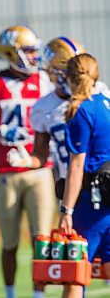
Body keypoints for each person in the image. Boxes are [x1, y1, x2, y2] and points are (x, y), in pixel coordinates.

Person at [0, 25, 55, 298]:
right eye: (28, 50)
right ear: (11, 51)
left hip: (39, 170)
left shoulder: (45, 81)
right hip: (7, 171)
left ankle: (38, 294)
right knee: (9, 242)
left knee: (42, 239)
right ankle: (10, 292)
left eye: (35, 50)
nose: (34, 56)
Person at [7, 37, 107, 197]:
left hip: (104, 180)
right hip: (72, 189)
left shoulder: (102, 94)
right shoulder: (44, 107)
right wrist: (27, 161)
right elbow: (41, 155)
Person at [58, 53, 110, 298]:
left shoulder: (82, 111)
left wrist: (66, 210)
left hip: (94, 201)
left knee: (75, 274)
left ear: (69, 78)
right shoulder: (106, 102)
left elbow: (76, 166)